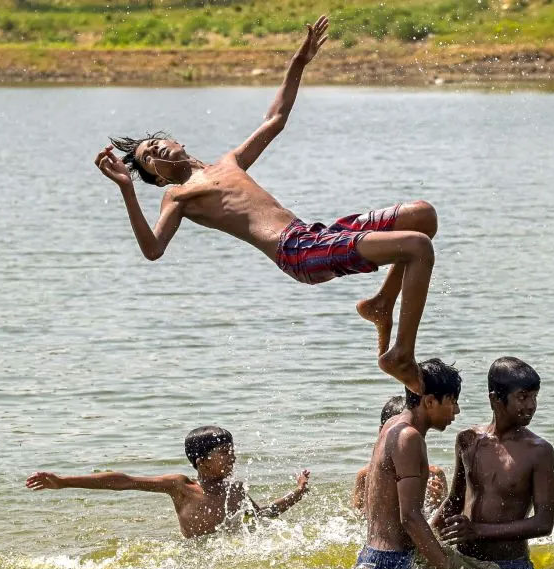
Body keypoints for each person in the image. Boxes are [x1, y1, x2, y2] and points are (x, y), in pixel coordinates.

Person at [93, 14, 435, 394]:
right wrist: (127, 188)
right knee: (417, 247)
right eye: (148, 157)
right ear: (158, 178)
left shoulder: (228, 163)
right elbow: (153, 249)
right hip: (297, 252)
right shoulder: (179, 194)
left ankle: (382, 303)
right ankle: (400, 355)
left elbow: (275, 118)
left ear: (178, 142)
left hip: (314, 235)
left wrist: (298, 62)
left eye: (156, 143)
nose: (156, 149)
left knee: (422, 216)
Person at [24, 426, 310, 538]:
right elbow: (125, 481)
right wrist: (64, 481)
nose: (233, 457)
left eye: (232, 451)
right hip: (196, 557)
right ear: (202, 462)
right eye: (225, 453)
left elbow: (260, 516)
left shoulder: (235, 490)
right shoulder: (181, 487)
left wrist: (297, 492)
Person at [433, 357, 554, 569]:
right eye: (522, 397)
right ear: (495, 398)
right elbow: (455, 500)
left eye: (534, 397)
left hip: (511, 567)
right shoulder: (467, 440)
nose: (531, 405)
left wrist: (477, 531)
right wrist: (425, 536)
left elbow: (543, 523)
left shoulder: (539, 451)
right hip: (463, 561)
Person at [357, 360, 462, 569]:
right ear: (430, 401)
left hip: (374, 555)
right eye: (452, 401)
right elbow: (410, 517)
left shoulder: (392, 424)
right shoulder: (409, 437)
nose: (457, 410)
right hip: (392, 561)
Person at [353, 395, 448, 515]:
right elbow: (359, 517)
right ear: (382, 432)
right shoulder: (366, 475)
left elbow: (444, 517)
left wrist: (438, 503)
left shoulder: (434, 475)